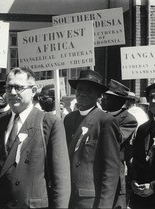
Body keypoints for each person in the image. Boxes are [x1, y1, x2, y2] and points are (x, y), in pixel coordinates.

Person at [0, 67, 71, 208]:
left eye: (18, 88)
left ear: (33, 91)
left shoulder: (49, 123)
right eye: (9, 87)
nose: (12, 92)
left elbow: (61, 179)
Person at [64, 69, 121, 208]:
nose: (82, 93)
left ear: (99, 95)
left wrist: (104, 206)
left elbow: (111, 169)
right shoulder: (69, 119)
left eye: (89, 90)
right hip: (67, 197)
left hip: (89, 201)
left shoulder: (105, 121)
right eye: (79, 89)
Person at [100, 79, 138, 208]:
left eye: (107, 97)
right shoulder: (100, 115)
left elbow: (116, 140)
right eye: (103, 96)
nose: (102, 100)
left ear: (119, 101)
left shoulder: (128, 120)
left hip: (114, 174)